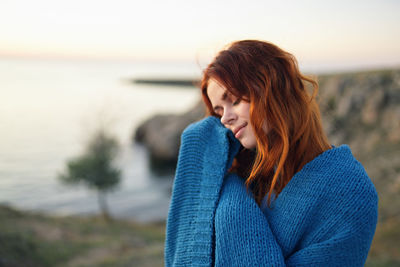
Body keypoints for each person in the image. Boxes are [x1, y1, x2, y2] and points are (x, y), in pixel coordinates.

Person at [165, 40, 378, 266]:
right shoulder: (246, 178)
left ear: (274, 89)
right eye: (218, 112)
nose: (225, 119)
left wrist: (233, 211)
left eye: (235, 100)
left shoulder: (350, 191)